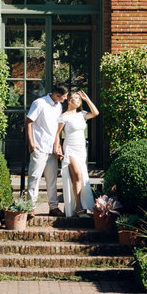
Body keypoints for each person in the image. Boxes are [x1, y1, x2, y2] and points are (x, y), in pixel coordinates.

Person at [54, 89, 99, 217]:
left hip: (81, 150)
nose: (78, 101)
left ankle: (77, 207)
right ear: (69, 100)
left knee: (78, 179)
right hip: (70, 149)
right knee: (78, 175)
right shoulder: (64, 117)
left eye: (79, 99)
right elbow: (57, 134)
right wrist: (58, 148)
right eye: (76, 98)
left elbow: (95, 113)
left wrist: (87, 99)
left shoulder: (82, 114)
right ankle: (79, 209)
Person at [24, 83, 68, 215]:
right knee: (34, 177)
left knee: (52, 179)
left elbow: (57, 129)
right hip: (39, 147)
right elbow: (28, 122)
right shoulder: (39, 103)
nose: (66, 99)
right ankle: (30, 207)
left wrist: (58, 145)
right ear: (57, 95)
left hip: (52, 149)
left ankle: (53, 207)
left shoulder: (58, 106)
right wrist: (31, 144)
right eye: (64, 97)